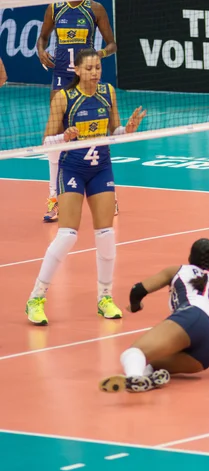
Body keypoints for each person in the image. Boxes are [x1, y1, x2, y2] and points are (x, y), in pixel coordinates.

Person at [25, 48, 146, 326]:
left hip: (101, 167)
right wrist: (63, 137)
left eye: (98, 68)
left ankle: (104, 298)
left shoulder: (108, 92)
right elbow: (46, 141)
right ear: (77, 70)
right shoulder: (63, 98)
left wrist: (127, 130)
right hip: (73, 169)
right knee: (67, 234)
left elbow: (113, 132)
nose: (94, 73)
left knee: (105, 233)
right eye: (89, 69)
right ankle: (36, 298)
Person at [37, 0, 117, 223]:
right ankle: (54, 197)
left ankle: (107, 192)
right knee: (53, 139)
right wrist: (41, 51)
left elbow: (112, 44)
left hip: (87, 79)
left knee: (98, 130)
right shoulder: (54, 8)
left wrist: (98, 55)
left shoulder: (95, 8)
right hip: (61, 79)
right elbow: (43, 37)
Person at [100, 238, 209, 393]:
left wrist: (135, 306)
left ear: (190, 257)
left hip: (191, 317)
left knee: (133, 353)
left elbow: (138, 290)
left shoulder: (178, 270)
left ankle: (133, 379)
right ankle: (148, 378)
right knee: (150, 362)